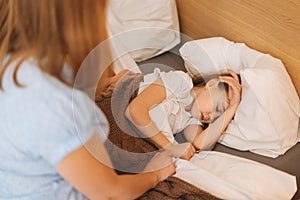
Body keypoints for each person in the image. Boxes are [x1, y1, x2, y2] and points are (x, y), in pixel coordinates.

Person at [0, 1, 175, 200]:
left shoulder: (13, 63)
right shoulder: (53, 104)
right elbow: (111, 194)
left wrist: (99, 86)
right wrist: (155, 174)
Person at [125, 68, 242, 160]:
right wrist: (170, 147)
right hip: (124, 105)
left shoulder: (192, 120)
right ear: (211, 84)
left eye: (217, 118)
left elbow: (199, 144)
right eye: (217, 108)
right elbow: (134, 110)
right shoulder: (181, 82)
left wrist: (233, 107)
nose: (211, 117)